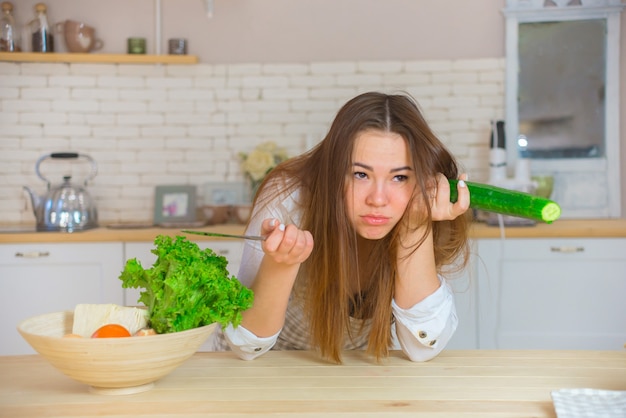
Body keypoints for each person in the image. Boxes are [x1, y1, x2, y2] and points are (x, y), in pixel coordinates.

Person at [214, 91, 471, 364]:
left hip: (352, 367)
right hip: (268, 366)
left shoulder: (417, 205)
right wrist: (281, 264)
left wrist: (415, 227)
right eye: (361, 174)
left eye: (399, 177)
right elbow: (244, 346)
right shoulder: (289, 198)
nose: (378, 199)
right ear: (334, 171)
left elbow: (423, 348)